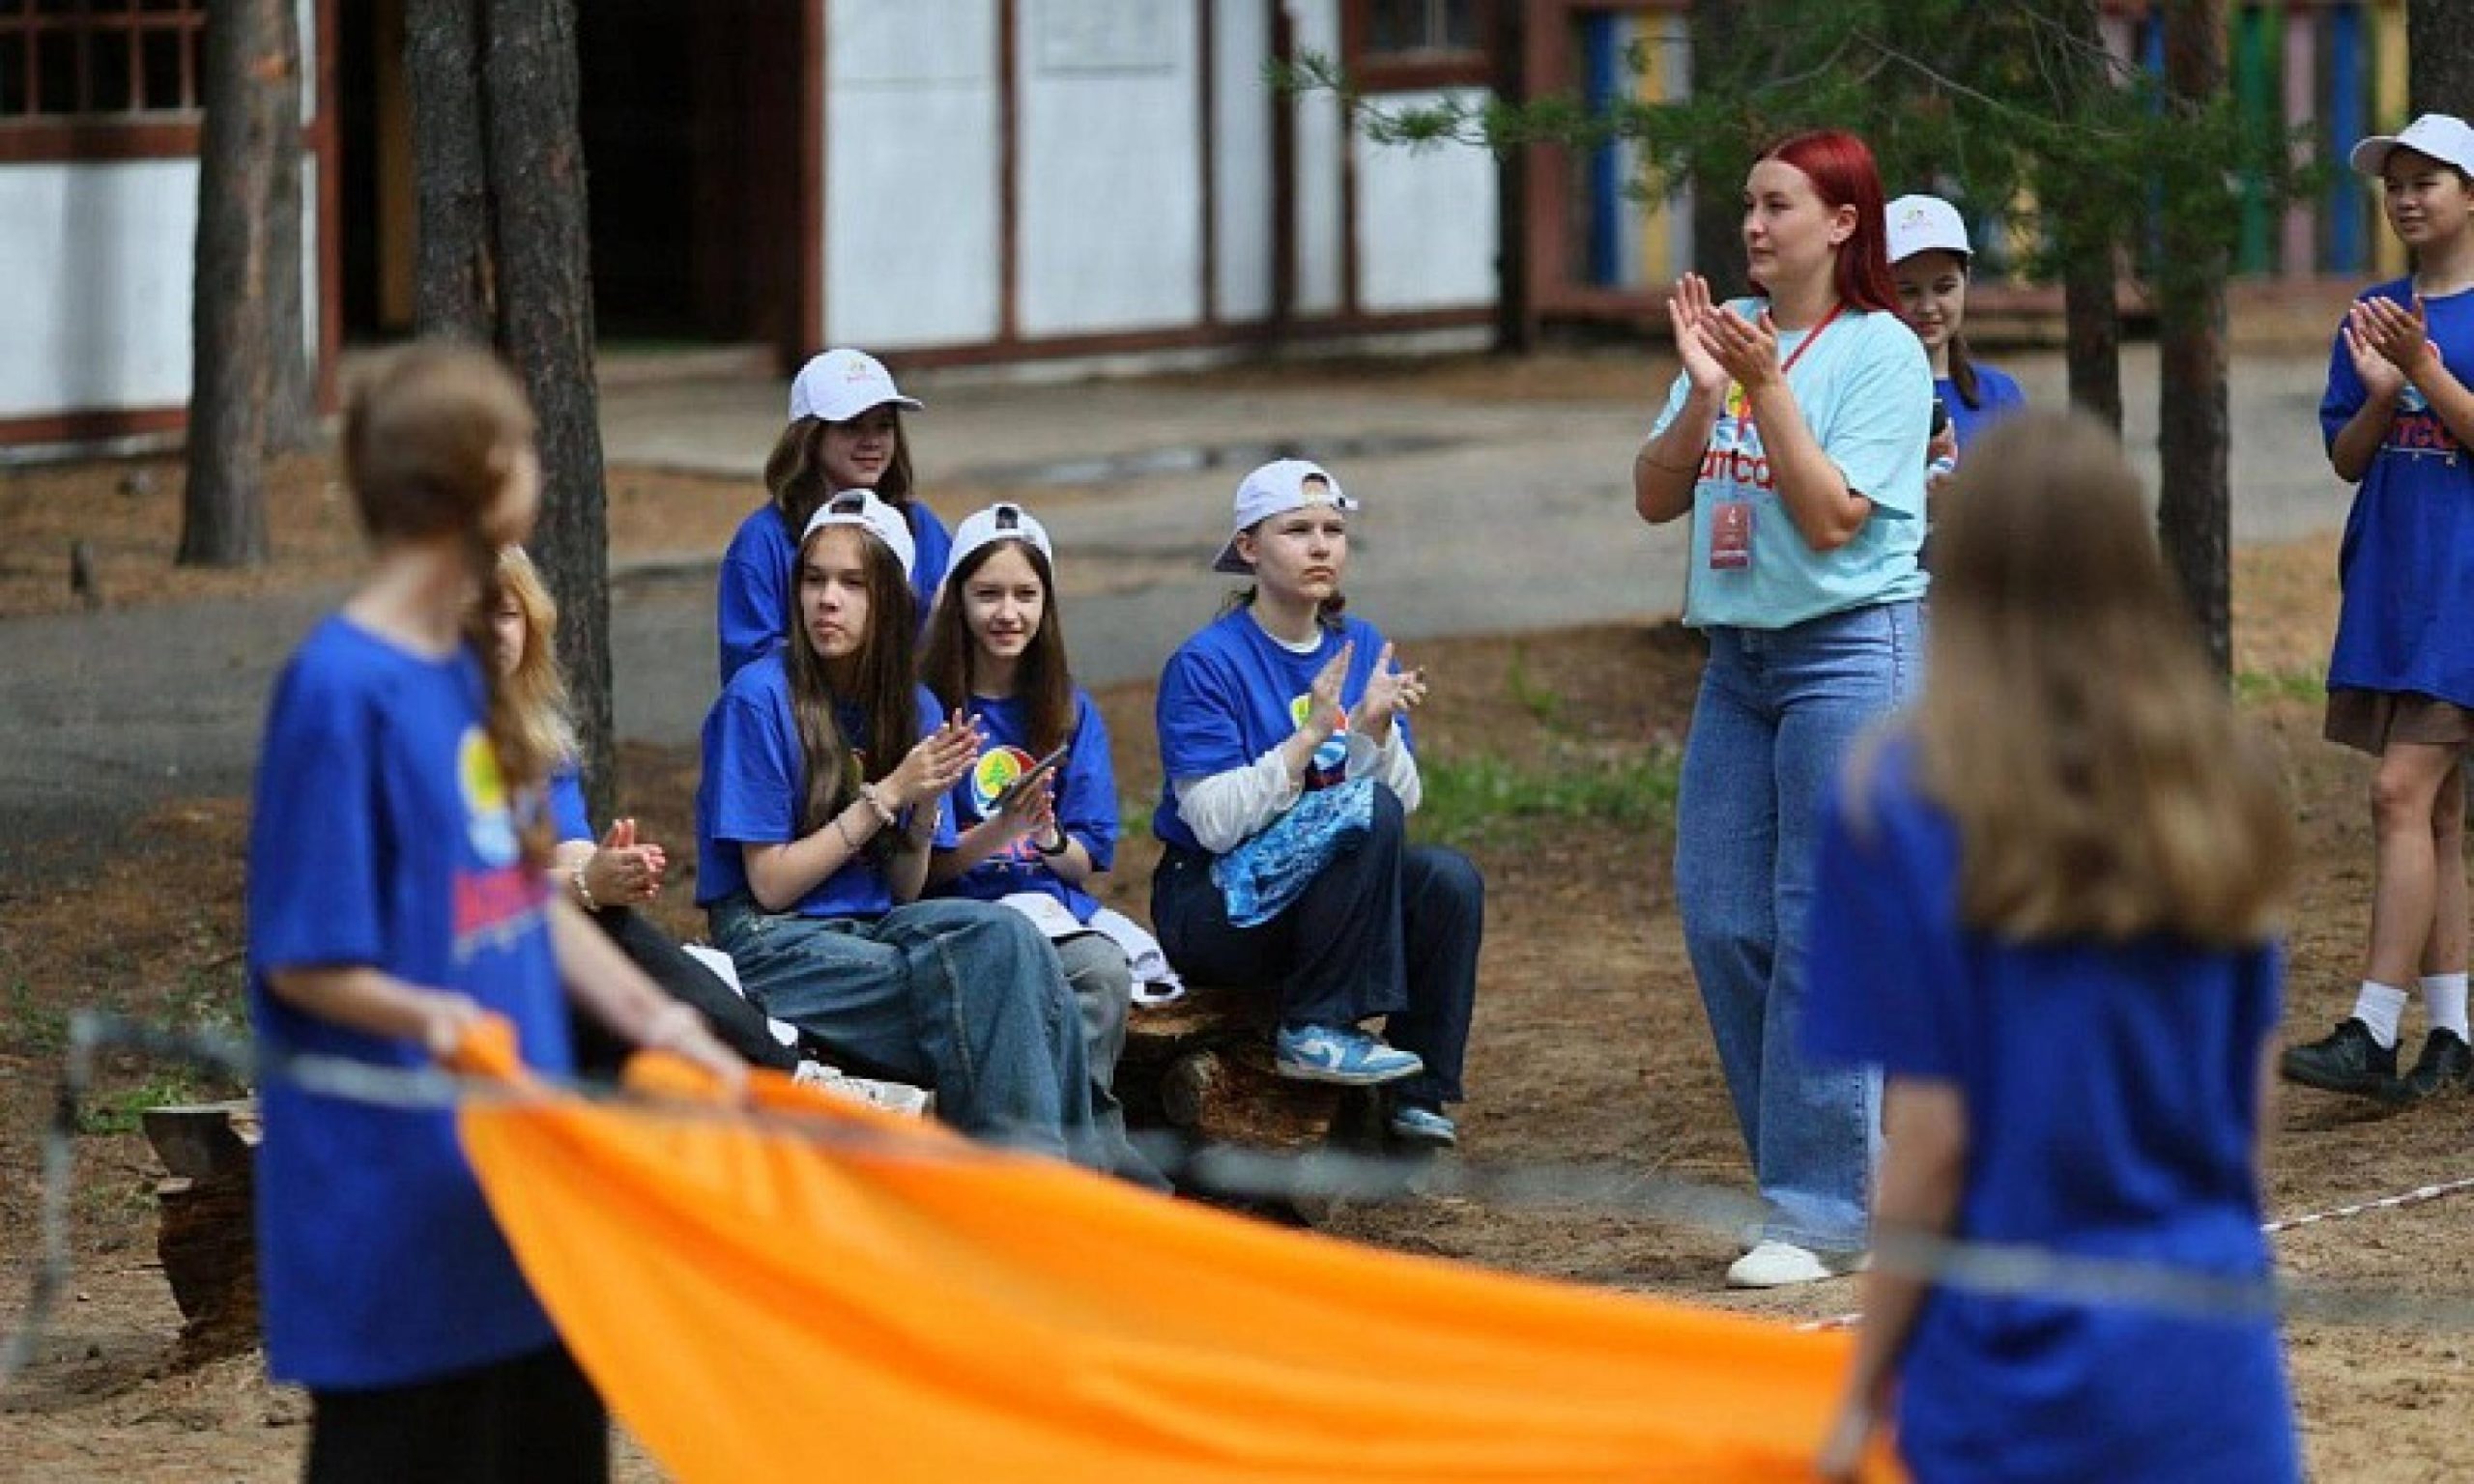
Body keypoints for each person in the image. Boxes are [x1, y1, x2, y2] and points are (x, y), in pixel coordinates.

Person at [246, 345, 743, 1484]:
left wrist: (661, 1019)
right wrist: (443, 1025)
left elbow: (518, 892)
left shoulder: (468, 677)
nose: (538, 469)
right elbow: (306, 960)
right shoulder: (337, 692)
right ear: (469, 481)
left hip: (524, 1190)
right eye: (520, 447)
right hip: (400, 1211)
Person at [1807, 412, 2301, 1484]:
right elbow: (2249, 1118)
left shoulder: (1900, 799)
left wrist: (1856, 1397)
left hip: (2008, 1378)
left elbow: (1932, 1140)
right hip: (2210, 1364)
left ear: (1963, 572)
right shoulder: (2223, 781)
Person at [1630, 128, 1932, 1288]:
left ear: (1842, 223)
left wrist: (1766, 390)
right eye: (1749, 206)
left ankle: (1817, 1211)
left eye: (1777, 206)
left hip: (1850, 652)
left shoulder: (1882, 350)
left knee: (1817, 924)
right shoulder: (1734, 337)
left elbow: (1832, 520)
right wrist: (1704, 396)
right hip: (1738, 662)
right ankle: (1839, 1184)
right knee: (1721, 916)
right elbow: (1655, 498)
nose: (1752, 226)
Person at [696, 488, 1108, 1162]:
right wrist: (888, 794)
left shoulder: (914, 705)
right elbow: (770, 886)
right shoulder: (759, 697)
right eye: (814, 580)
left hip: (875, 926)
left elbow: (905, 888)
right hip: (776, 940)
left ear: (892, 600)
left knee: (1009, 939)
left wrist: (923, 810)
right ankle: (1052, 1181)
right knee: (1003, 1000)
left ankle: (1036, 1180)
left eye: (853, 584)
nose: (827, 600)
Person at [1149, 459, 1482, 1149]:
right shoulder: (1207, 662)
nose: (1321, 545)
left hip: (1324, 898)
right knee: (1363, 811)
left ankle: (1417, 1093)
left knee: (1448, 881)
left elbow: (1401, 804)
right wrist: (1308, 738)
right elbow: (1212, 825)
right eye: (1297, 530)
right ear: (1249, 548)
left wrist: (1374, 730)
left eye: (1333, 529)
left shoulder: (1362, 645)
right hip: (1213, 906)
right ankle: (1315, 1027)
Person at [2283, 113, 2474, 1104]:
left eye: (2425, 181)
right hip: (2393, 591)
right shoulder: (2372, 311)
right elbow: (2348, 458)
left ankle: (2370, 1027)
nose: (2404, 198)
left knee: (2397, 795)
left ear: (2470, 195)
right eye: (2393, 184)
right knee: (2435, 813)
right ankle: (2453, 1033)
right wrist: (2380, 393)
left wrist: (2427, 371)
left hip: (2465, 597)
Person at [488, 544, 806, 1076]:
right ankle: (775, 1063)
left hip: (543, 944)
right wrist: (582, 885)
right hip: (468, 971)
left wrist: (606, 870)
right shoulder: (423, 738)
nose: (493, 632)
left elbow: (571, 846)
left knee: (612, 928)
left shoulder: (541, 738)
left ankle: (768, 1060)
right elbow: (468, 894)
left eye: (506, 614)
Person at [919, 501, 1161, 1183]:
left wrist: (1045, 834)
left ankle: (1072, 1162)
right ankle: (1085, 1163)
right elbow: (922, 873)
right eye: (988, 594)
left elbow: (1086, 861)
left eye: (1026, 595)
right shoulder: (926, 705)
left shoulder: (1069, 709)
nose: (1008, 613)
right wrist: (999, 831)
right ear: (957, 601)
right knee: (1031, 984)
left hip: (1051, 909)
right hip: (963, 912)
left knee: (1102, 973)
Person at [715, 347, 951, 684]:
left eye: (884, 426)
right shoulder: (762, 539)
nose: (872, 442)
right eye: (852, 426)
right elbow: (750, 667)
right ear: (809, 436)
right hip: (805, 715)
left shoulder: (919, 524)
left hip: (905, 708)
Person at [1885, 192, 2026, 471]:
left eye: (1944, 288)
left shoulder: (1999, 394)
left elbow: (2022, 490)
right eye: (1908, 292)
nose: (1928, 307)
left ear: (1967, 279)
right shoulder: (1861, 396)